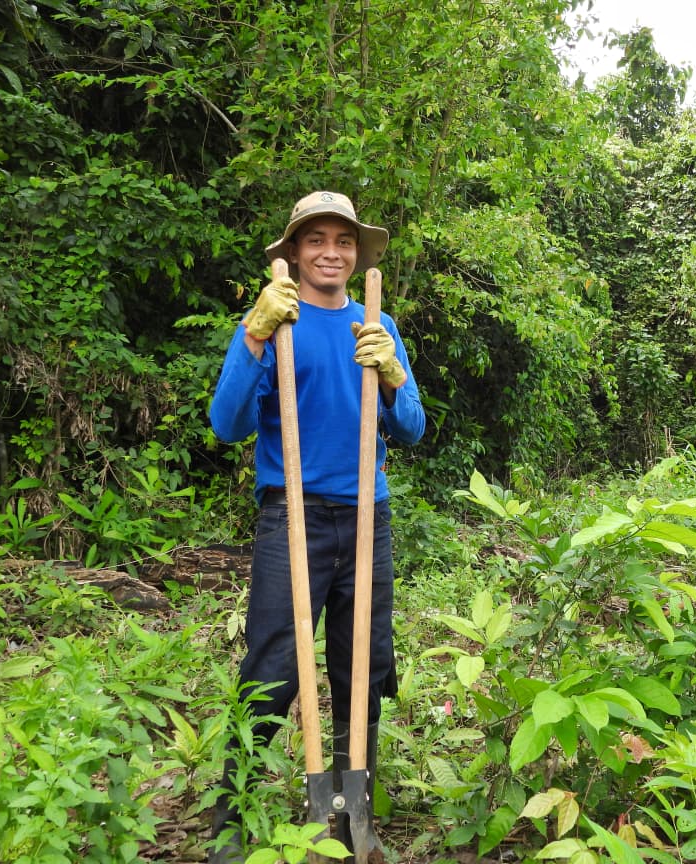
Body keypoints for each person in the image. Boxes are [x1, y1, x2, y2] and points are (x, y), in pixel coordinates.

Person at [207, 191, 425, 863]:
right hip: (291, 515)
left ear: (357, 254)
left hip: (366, 516)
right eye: (316, 240)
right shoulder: (274, 324)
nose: (331, 252)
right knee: (273, 666)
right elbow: (227, 424)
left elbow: (412, 428)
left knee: (364, 666)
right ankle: (231, 818)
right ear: (295, 252)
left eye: (344, 241)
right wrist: (254, 335)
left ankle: (353, 812)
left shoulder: (376, 326)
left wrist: (392, 375)